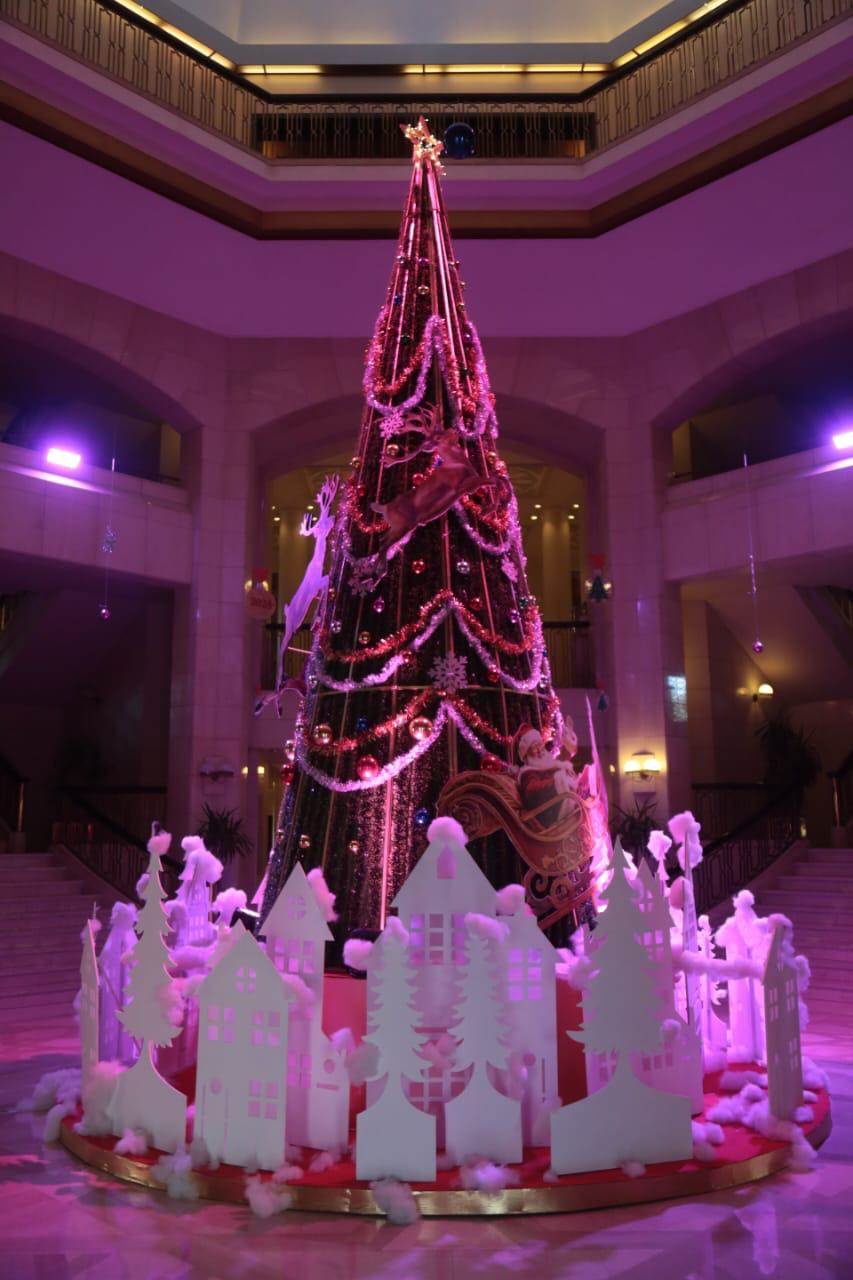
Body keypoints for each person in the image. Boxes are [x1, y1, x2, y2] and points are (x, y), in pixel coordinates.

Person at [513, 722, 578, 832]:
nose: (539, 750)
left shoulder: (547, 764)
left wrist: (569, 742)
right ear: (527, 754)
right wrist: (557, 780)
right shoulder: (527, 773)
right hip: (549, 813)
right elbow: (532, 790)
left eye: (539, 744)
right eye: (534, 748)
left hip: (560, 803)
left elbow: (562, 759)